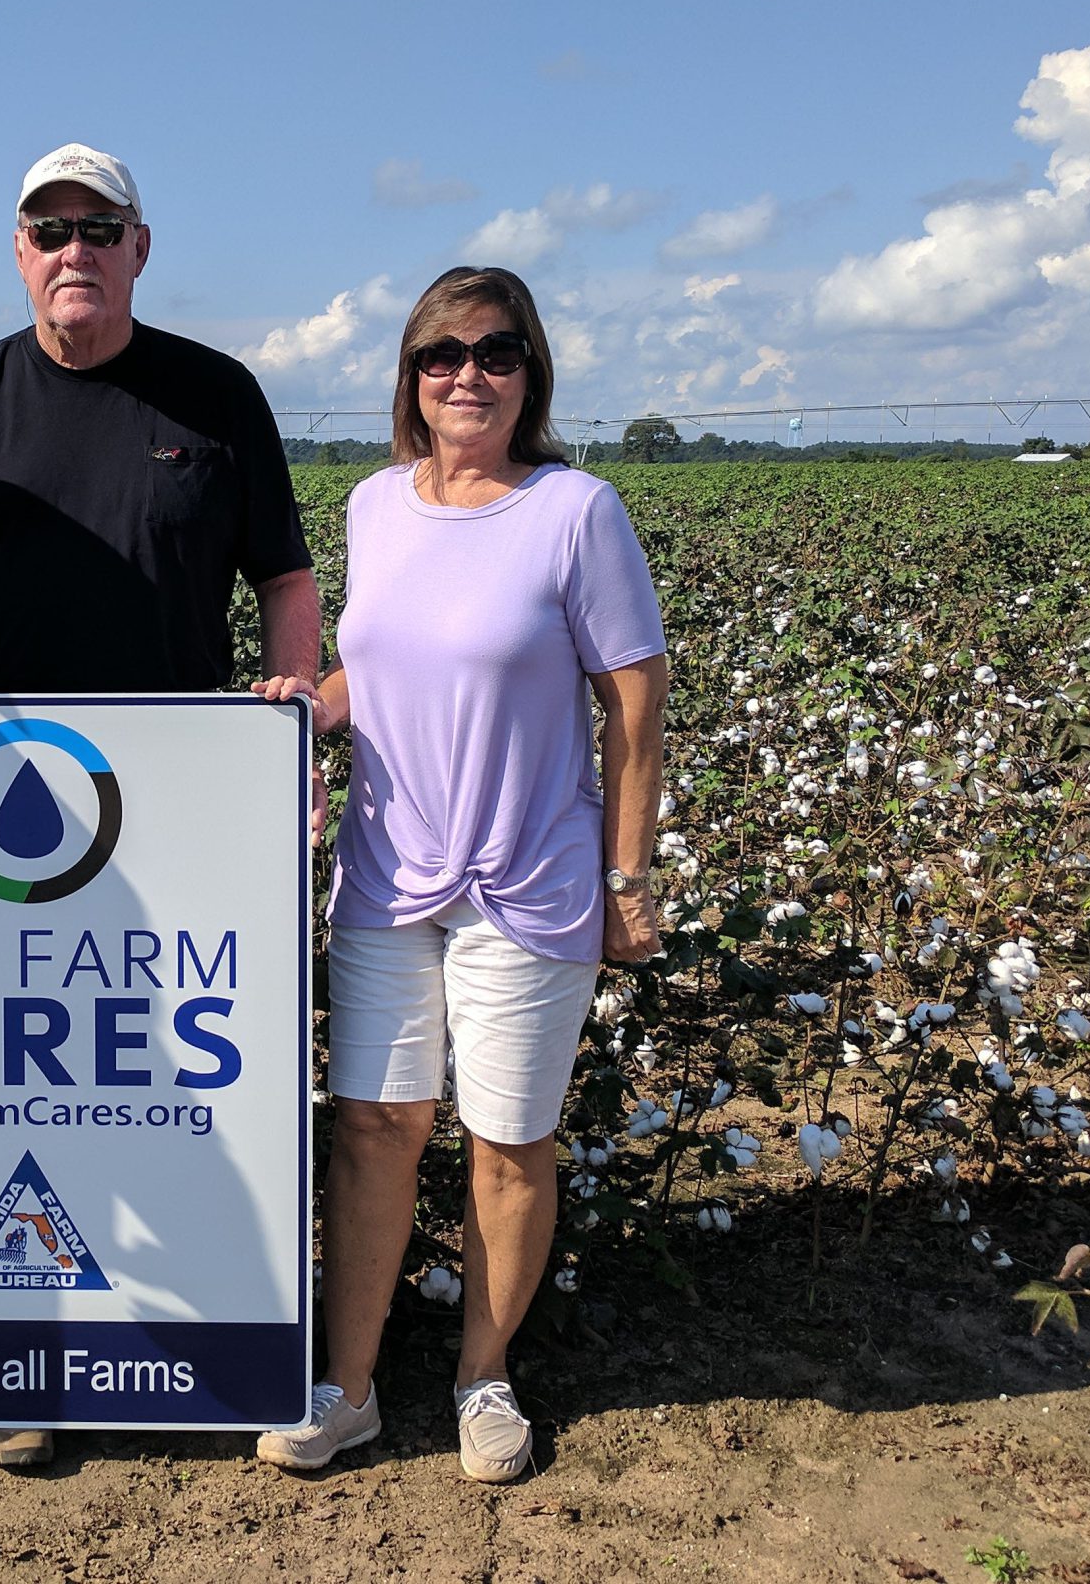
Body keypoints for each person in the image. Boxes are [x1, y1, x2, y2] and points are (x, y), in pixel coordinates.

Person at [0, 143, 321, 1467]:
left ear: (141, 249)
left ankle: (190, 1337)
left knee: (162, 1073)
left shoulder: (217, 397)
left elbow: (282, 576)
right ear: (20, 250)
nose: (75, 251)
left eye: (101, 228)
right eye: (51, 229)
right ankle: (15, 1362)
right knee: (8, 1084)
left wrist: (298, 690)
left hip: (182, 805)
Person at [250, 267, 668, 1481]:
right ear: (410, 377)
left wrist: (626, 873)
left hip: (531, 882)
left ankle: (483, 1377)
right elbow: (374, 670)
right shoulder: (376, 505)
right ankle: (348, 1385)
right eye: (442, 354)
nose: (466, 376)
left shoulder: (575, 510)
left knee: (505, 1139)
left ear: (529, 372)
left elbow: (633, 701)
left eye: (494, 352)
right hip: (386, 875)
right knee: (376, 1125)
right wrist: (298, 709)